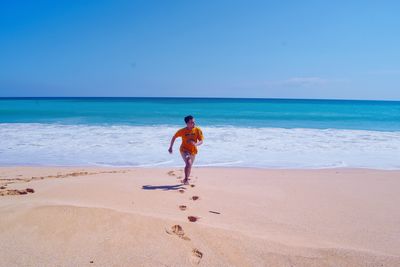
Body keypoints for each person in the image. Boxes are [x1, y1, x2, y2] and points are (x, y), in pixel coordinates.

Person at [168, 115, 203, 185]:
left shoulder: (197, 130)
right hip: (184, 150)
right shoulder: (182, 131)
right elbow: (174, 137)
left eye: (194, 122)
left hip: (193, 151)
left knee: (189, 165)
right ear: (187, 123)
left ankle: (185, 178)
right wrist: (171, 147)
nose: (194, 124)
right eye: (191, 122)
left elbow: (201, 141)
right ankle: (186, 179)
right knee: (188, 163)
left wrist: (196, 144)